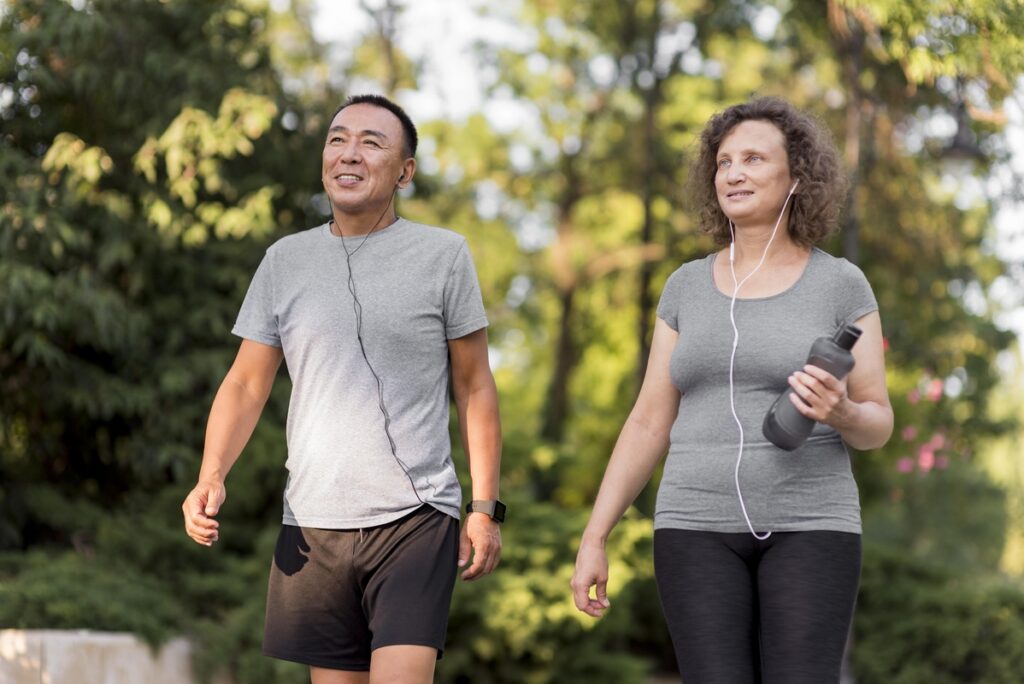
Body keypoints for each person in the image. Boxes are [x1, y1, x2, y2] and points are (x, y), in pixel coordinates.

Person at [181, 94, 504, 684]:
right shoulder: (285, 260)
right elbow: (246, 383)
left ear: (405, 172)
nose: (349, 153)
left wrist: (484, 508)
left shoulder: (443, 255)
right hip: (312, 521)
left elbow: (475, 385)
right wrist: (211, 474)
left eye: (372, 143)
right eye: (337, 139)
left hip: (416, 516)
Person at [571, 97, 893, 683]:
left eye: (753, 159)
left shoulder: (841, 284)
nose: (734, 173)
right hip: (693, 526)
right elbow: (648, 421)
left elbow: (877, 425)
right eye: (724, 162)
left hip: (812, 523)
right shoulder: (685, 287)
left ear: (796, 177)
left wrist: (842, 410)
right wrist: (596, 536)